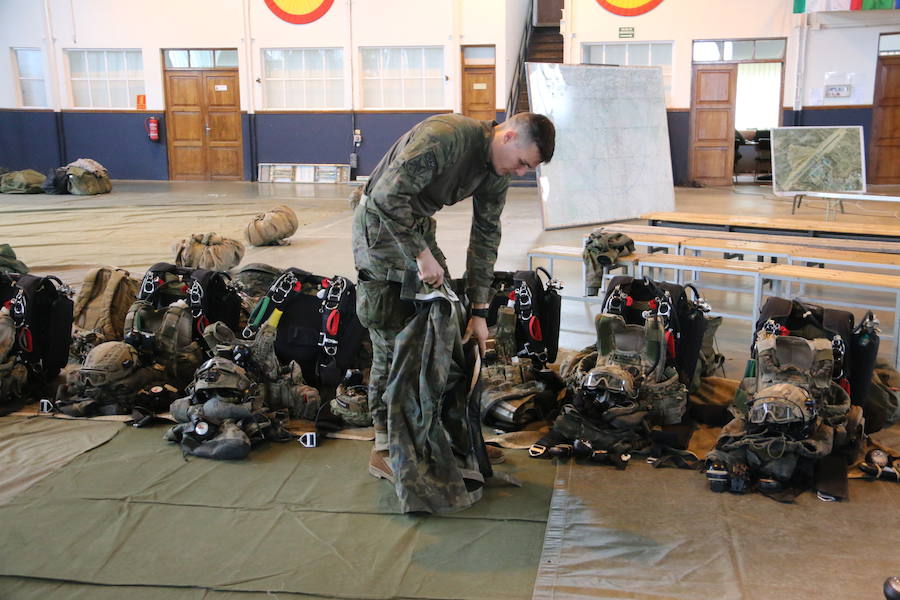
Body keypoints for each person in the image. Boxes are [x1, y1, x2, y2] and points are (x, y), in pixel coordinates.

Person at [351, 112, 555, 513]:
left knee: (450, 323)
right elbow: (386, 199)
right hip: (378, 228)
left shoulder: (496, 169)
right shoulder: (444, 138)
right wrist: (422, 255)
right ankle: (384, 447)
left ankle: (436, 435)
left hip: (414, 226)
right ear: (509, 135)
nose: (520, 172)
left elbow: (486, 235)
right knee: (391, 335)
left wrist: (479, 310)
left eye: (528, 169)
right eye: (523, 163)